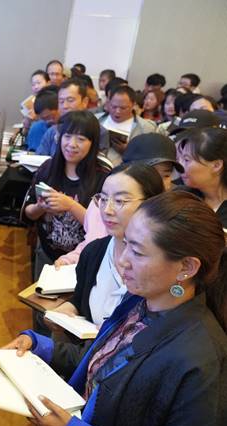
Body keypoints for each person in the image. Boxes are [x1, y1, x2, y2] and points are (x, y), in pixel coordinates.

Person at [3, 191, 227, 426]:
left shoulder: (201, 359)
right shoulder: (139, 300)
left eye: (138, 252)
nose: (123, 260)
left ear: (186, 267)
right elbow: (104, 362)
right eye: (125, 243)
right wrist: (39, 346)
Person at [51, 163, 165, 326]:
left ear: (151, 203)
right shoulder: (93, 251)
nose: (107, 210)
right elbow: (79, 300)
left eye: (119, 201)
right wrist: (66, 311)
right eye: (103, 199)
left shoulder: (162, 265)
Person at [55, 133, 183, 267]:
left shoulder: (175, 214)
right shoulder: (101, 206)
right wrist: (70, 260)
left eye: (166, 175)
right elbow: (91, 242)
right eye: (151, 173)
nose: (160, 183)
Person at [25, 111, 109, 278]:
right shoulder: (48, 168)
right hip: (46, 252)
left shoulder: (103, 177)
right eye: (67, 136)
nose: (72, 144)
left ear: (93, 143)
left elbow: (103, 228)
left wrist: (70, 205)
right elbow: (29, 213)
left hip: (84, 259)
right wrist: (41, 207)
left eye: (81, 139)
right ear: (59, 138)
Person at [36, 78, 109, 157]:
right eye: (61, 101)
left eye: (70, 100)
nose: (65, 106)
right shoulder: (52, 131)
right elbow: (39, 158)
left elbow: (99, 162)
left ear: (84, 102)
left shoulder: (99, 132)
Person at [176, 127, 227, 229]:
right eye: (179, 159)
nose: (179, 166)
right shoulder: (180, 197)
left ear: (216, 165)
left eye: (186, 160)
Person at [98, 85, 157, 165]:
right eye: (114, 107)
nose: (117, 111)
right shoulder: (96, 119)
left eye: (123, 108)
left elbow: (151, 158)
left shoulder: (146, 128)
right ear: (108, 103)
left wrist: (130, 152)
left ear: (133, 105)